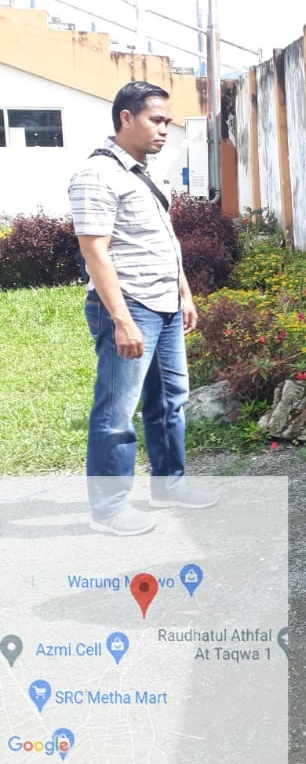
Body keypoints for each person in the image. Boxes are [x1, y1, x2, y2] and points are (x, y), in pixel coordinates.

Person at [68, 81, 219, 537]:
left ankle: (169, 485)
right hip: (130, 308)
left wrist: (185, 293)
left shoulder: (144, 172)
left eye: (168, 123)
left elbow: (163, 242)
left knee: (170, 402)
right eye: (156, 120)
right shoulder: (97, 175)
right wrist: (121, 319)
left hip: (166, 305)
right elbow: (96, 252)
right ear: (125, 118)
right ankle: (110, 508)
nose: (164, 131)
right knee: (117, 411)